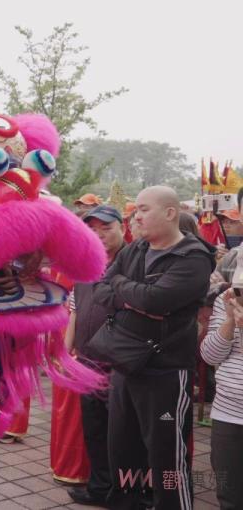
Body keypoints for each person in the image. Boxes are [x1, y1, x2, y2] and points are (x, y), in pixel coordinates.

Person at [92, 186, 216, 510]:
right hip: (124, 365)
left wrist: (128, 293)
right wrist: (133, 294)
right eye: (136, 211)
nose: (136, 217)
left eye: (144, 210)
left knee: (166, 461)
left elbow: (155, 299)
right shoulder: (135, 250)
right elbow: (102, 289)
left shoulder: (193, 258)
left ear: (170, 213)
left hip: (165, 372)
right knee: (122, 453)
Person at [64, 205, 127, 506]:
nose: (100, 234)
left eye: (107, 227)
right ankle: (100, 488)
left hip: (120, 365)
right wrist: (67, 352)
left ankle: (125, 492)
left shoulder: (133, 265)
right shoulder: (83, 265)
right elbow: (76, 311)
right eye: (92, 229)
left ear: (122, 229)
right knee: (94, 429)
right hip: (88, 362)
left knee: (123, 434)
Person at [200, 289, 243, 509]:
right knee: (230, 495)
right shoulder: (228, 298)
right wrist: (229, 320)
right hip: (229, 412)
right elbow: (210, 355)